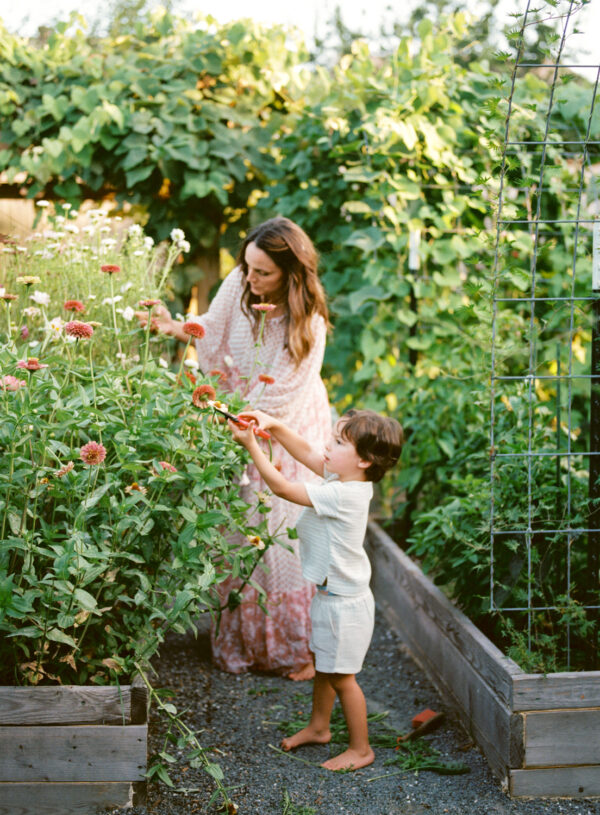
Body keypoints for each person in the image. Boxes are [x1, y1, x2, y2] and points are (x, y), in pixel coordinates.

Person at [136, 217, 331, 679]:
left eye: (262, 273)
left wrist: (236, 418)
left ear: (291, 273)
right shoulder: (241, 281)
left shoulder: (311, 322)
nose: (250, 279)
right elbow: (212, 325)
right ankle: (244, 642)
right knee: (242, 532)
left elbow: (286, 393)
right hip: (243, 420)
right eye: (247, 267)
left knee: (284, 539)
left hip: (290, 431)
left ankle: (294, 650)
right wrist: (171, 327)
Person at [227, 407, 403, 771]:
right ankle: (319, 728)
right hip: (332, 597)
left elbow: (280, 487)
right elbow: (306, 452)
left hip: (345, 605)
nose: (327, 445)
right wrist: (274, 425)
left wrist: (251, 446)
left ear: (366, 461)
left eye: (338, 442)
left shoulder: (347, 495)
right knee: (324, 666)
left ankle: (361, 749)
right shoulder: (343, 479)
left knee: (342, 678)